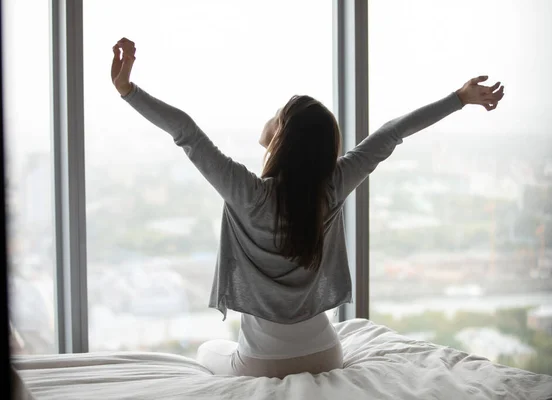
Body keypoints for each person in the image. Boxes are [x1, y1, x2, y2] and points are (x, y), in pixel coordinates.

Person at [111, 37, 504, 379]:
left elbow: (186, 132)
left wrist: (128, 90)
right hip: (327, 355)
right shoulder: (332, 187)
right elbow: (392, 133)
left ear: (281, 135)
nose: (271, 117)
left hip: (260, 361)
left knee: (205, 351)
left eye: (278, 115)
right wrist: (459, 99)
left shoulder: (247, 192)